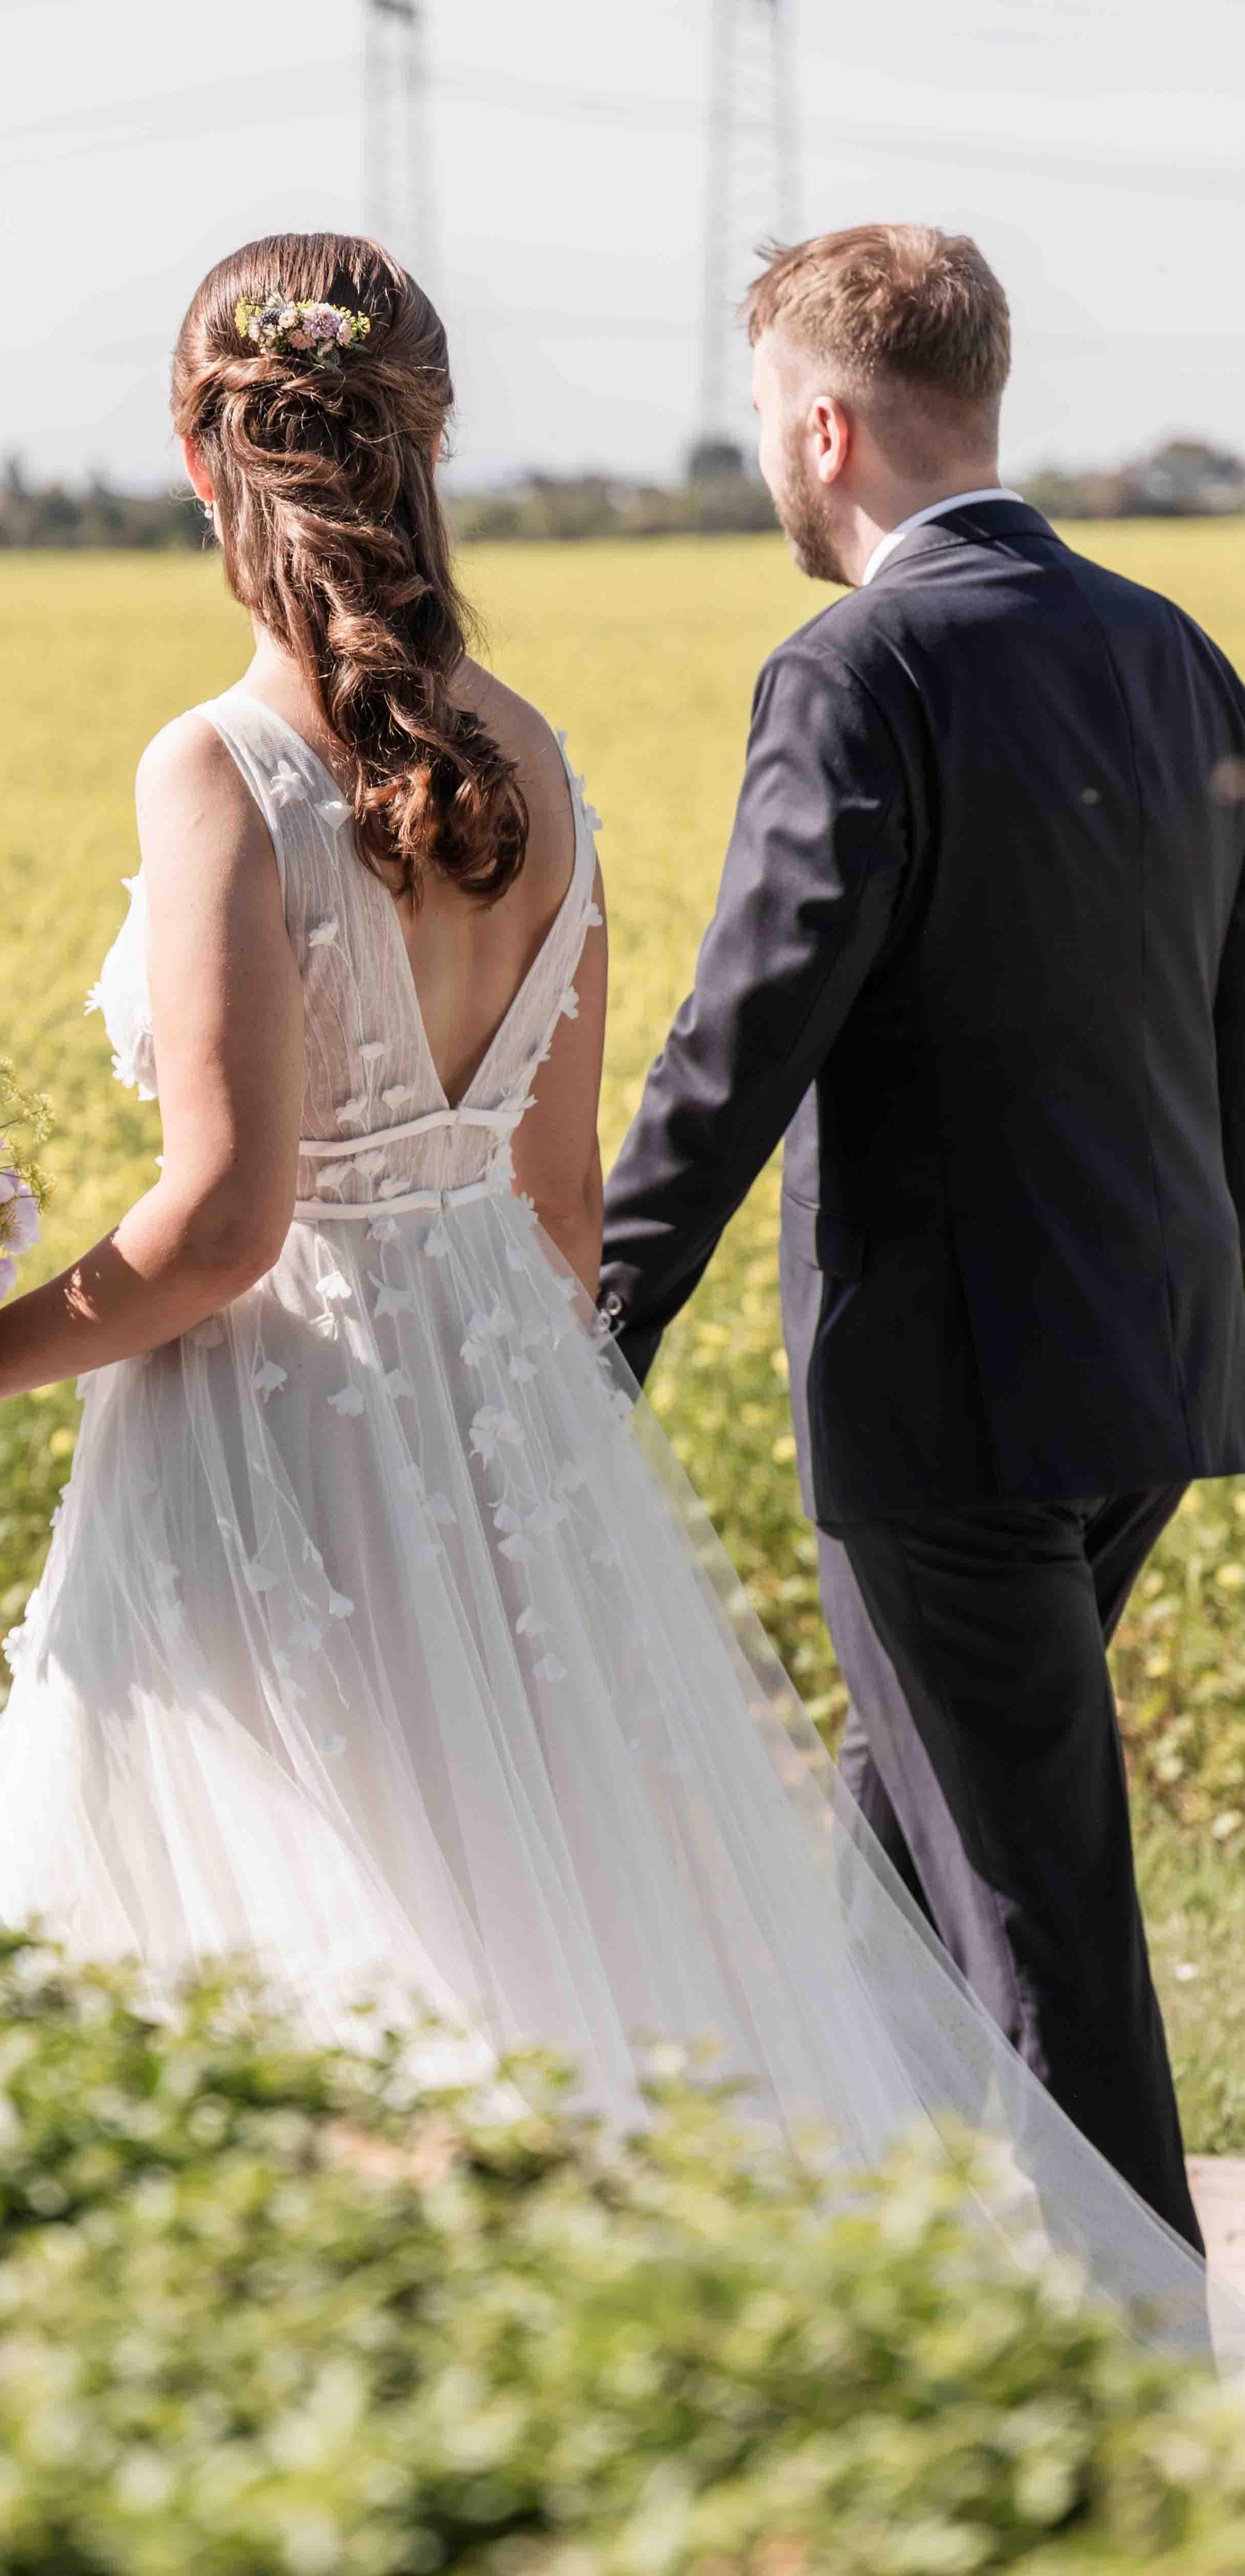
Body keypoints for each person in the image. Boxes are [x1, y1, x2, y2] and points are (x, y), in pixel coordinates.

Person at [0, 230, 1230, 2352]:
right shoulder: (537, 763)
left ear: (206, 461)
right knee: (561, 1916)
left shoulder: (221, 766)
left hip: (272, 1428)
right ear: (432, 442)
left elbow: (220, 1224)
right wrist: (522, 1402)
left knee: (268, 1926)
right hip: (510, 1391)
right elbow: (560, 1212)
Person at [599, 221, 1245, 2262]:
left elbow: (749, 1021)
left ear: (817, 427)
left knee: (1028, 1895)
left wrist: (595, 1310)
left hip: (945, 1387)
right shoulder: (1164, 648)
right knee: (897, 1859)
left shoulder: (855, 665)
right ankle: (828, 2253)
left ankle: (1133, 2375)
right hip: (1146, 1358)